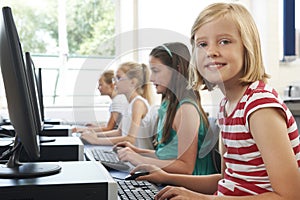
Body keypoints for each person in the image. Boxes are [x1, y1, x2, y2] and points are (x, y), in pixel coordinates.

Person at [130, 3, 300, 199]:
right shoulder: (226, 106)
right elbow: (227, 180)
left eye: (225, 41)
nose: (211, 51)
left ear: (248, 47)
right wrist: (166, 176)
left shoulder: (259, 107)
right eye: (202, 44)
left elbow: (290, 195)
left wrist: (202, 199)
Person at [115, 42, 217, 175]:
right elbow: (167, 155)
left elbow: (185, 167)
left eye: (156, 71)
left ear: (177, 70)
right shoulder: (168, 105)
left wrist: (140, 159)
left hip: (188, 186)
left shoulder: (186, 109)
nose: (151, 78)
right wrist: (137, 151)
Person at [80, 61, 155, 149]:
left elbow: (130, 139)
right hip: (127, 153)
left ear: (132, 82)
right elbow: (119, 132)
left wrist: (96, 140)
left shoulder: (138, 104)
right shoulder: (129, 103)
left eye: (118, 78)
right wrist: (94, 135)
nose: (114, 83)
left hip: (139, 158)